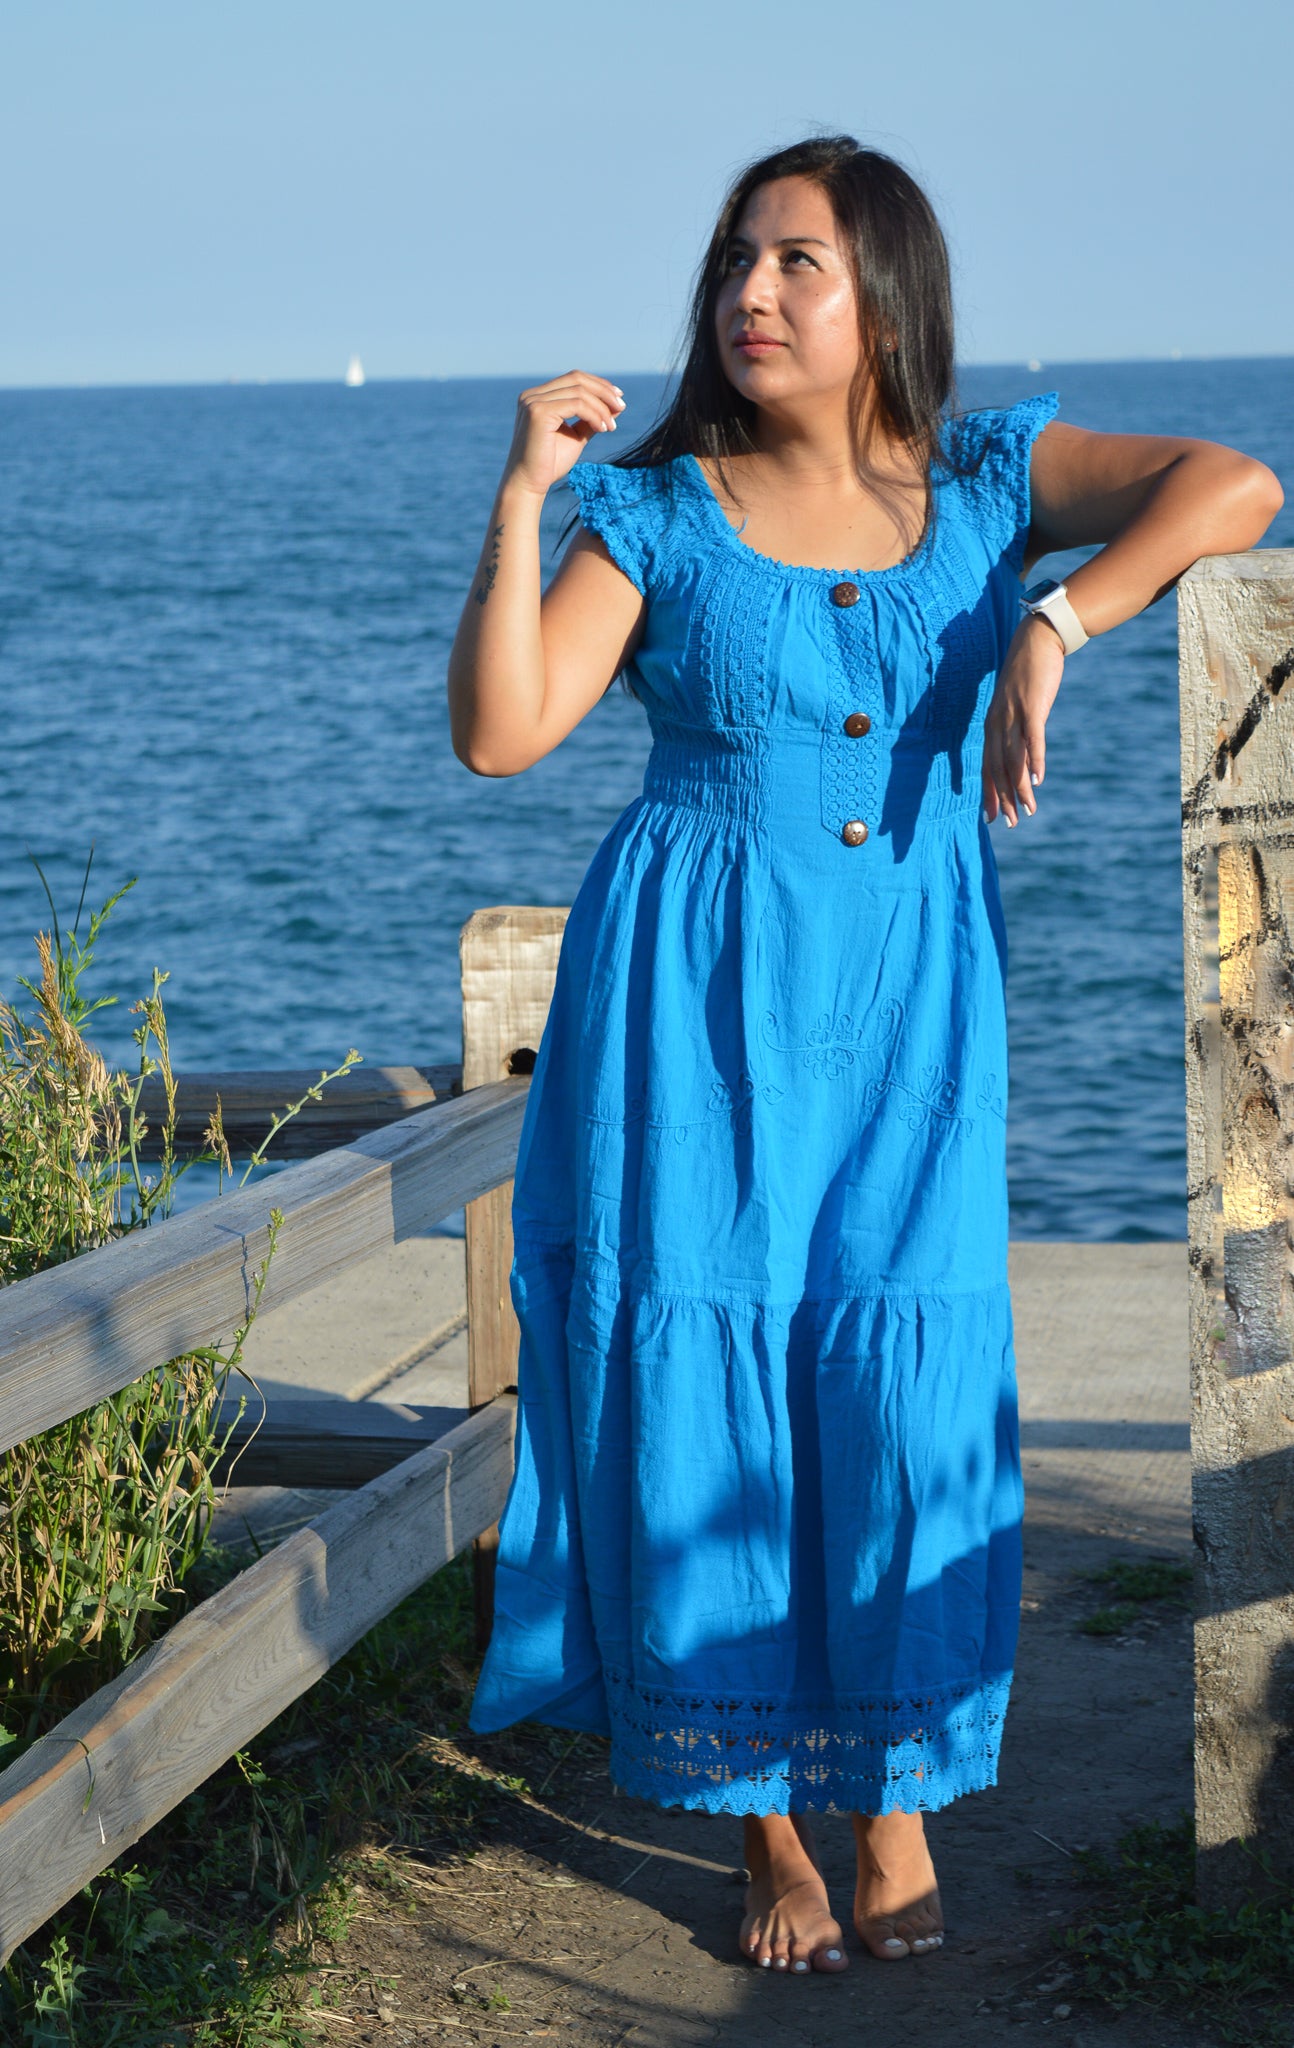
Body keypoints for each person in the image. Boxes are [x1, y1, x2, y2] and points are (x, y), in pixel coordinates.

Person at [446, 135, 1281, 1977]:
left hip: (909, 996)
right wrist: (523, 499)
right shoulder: (655, 511)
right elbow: (503, 732)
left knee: (894, 1368)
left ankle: (891, 1795)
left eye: (795, 262)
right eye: (734, 262)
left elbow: (1234, 484)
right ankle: (761, 1816)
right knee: (706, 1359)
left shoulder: (985, 480)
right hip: (688, 996)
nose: (748, 293)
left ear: (883, 298)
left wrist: (1053, 623)